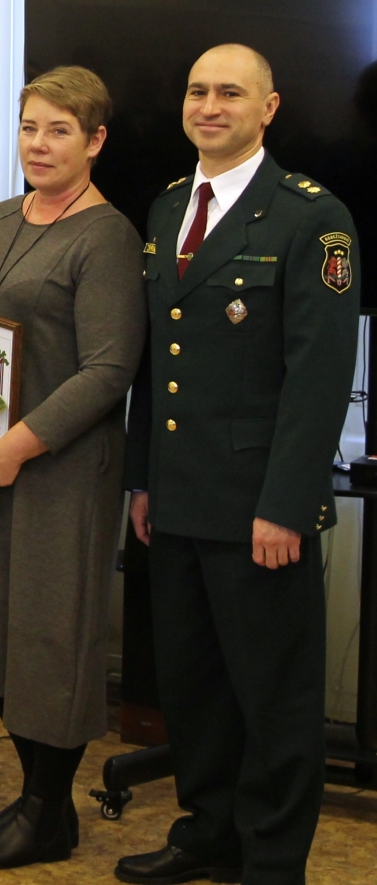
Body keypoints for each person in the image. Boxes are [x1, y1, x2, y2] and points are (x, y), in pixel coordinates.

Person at [117, 45, 358, 885]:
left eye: (230, 93)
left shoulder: (310, 218)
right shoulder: (167, 206)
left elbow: (319, 378)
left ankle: (272, 860)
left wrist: (288, 503)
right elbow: (157, 360)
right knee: (194, 687)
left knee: (273, 695)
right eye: (197, 91)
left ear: (269, 108)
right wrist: (143, 478)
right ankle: (208, 832)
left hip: (259, 505)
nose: (209, 106)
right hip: (178, 497)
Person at [0, 66, 146, 869]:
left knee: (51, 638)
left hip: (59, 470)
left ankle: (50, 811)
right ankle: (32, 800)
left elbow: (109, 369)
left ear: (95, 141)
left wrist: (20, 444)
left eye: (59, 130)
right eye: (29, 128)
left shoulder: (107, 236)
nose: (39, 145)